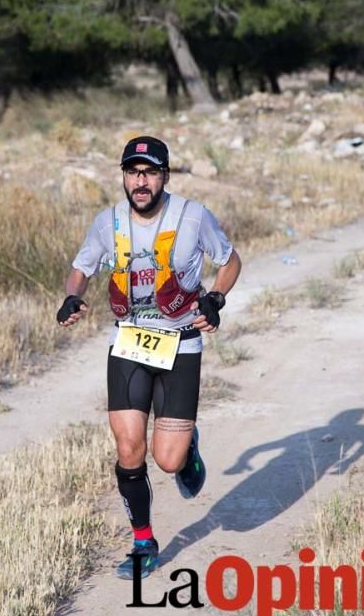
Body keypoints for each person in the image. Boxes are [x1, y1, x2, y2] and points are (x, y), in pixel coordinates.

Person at [56, 135, 242, 579]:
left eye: (150, 172)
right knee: (128, 446)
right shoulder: (109, 222)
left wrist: (215, 297)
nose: (141, 182)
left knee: (169, 460)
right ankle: (143, 540)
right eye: (133, 172)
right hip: (130, 343)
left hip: (181, 343)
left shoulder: (193, 217)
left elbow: (230, 260)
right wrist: (71, 296)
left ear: (164, 177)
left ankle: (188, 449)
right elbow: (82, 268)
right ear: (123, 176)